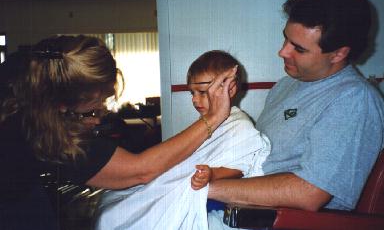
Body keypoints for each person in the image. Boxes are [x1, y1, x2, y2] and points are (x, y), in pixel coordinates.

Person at [0, 35, 237, 229]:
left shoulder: (27, 75)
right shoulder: (48, 133)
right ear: (65, 103)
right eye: (99, 101)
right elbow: (141, 170)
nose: (101, 108)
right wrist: (213, 117)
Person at [207, 0, 384, 224]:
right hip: (238, 205)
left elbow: (309, 193)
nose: (283, 52)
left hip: (276, 221)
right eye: (286, 39)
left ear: (338, 54)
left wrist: (206, 188)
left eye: (299, 49)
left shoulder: (355, 100)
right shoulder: (286, 85)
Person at [94, 50, 270, 229]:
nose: (194, 99)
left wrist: (212, 174)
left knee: (127, 218)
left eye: (201, 92)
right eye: (192, 93)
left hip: (208, 197)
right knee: (113, 207)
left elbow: (239, 168)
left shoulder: (239, 126)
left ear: (230, 89)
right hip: (181, 181)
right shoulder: (206, 123)